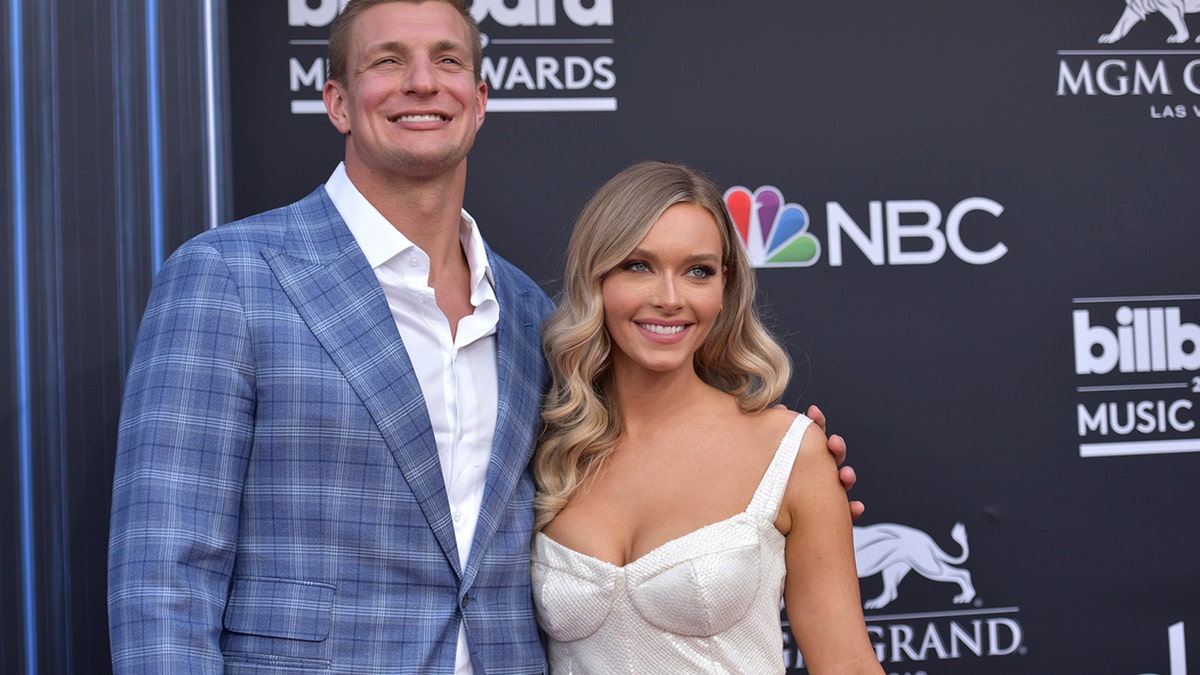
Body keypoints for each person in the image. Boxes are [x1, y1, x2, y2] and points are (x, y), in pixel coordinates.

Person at [107, 1, 860, 672]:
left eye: (447, 60)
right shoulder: (230, 277)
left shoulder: (531, 317)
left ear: (481, 98)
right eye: (387, 61)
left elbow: (663, 453)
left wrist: (796, 475)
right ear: (337, 101)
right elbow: (162, 574)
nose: (423, 83)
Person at [530, 161, 883, 674]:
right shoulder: (544, 449)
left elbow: (847, 667)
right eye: (638, 265)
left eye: (698, 271)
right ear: (595, 278)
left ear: (725, 289)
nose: (670, 299)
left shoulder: (789, 452)